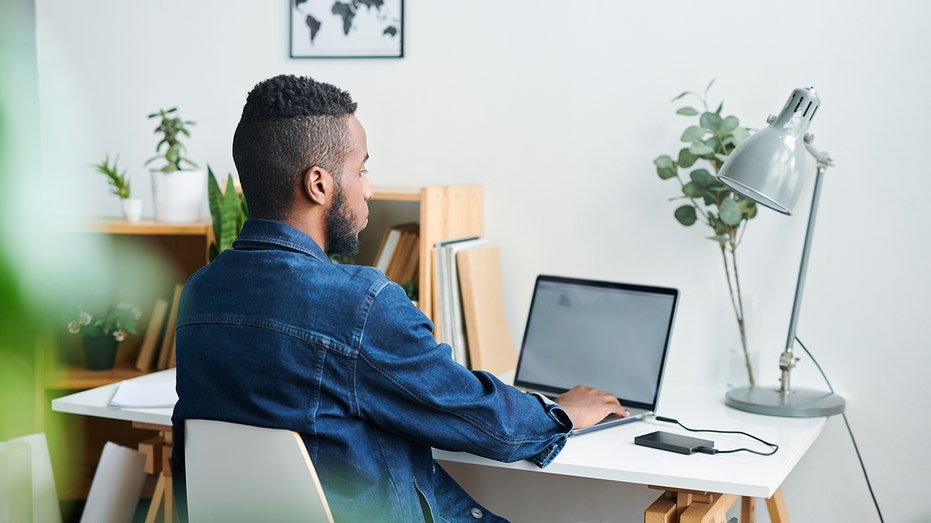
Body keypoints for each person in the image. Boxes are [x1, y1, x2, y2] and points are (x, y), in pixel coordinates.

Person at [171, 74, 627, 522]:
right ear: (319, 184)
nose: (367, 187)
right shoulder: (360, 305)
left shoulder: (199, 294)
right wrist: (562, 412)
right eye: (361, 168)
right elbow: (480, 419)